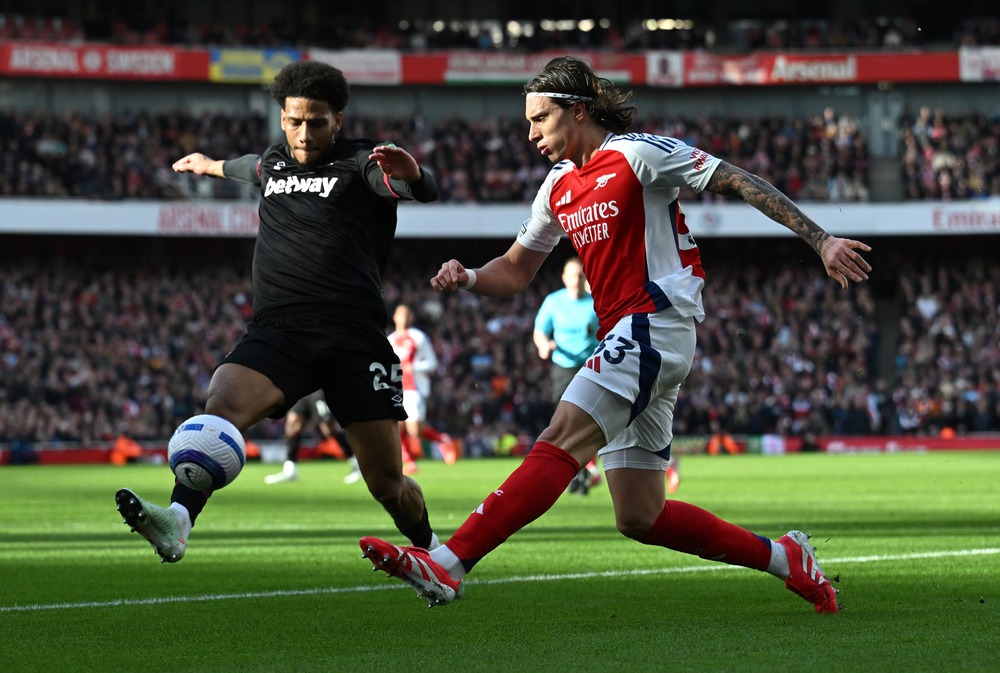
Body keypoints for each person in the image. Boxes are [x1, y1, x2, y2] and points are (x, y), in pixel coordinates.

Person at [360, 56, 871, 612]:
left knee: (561, 435)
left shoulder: (637, 153)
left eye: (540, 119)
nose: (530, 134)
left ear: (577, 111)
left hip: (657, 321)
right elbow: (515, 269)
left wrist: (820, 240)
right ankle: (784, 558)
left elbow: (738, 180)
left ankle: (448, 563)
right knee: (640, 515)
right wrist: (471, 277)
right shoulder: (557, 186)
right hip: (628, 337)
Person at [115, 60, 443, 563]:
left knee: (387, 485)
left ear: (338, 118)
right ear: (283, 117)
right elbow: (248, 166)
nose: (304, 133)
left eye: (316, 122)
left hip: (352, 337)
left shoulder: (363, 163)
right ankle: (177, 521)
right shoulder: (274, 161)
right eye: (294, 121)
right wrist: (208, 165)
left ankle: (434, 551)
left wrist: (415, 176)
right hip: (279, 330)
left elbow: (420, 189)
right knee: (219, 406)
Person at [532, 256, 603, 494]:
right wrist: (543, 345)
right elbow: (540, 330)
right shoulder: (554, 302)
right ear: (564, 278)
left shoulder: (596, 302)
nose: (576, 280)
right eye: (572, 275)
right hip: (563, 366)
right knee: (565, 421)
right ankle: (579, 471)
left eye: (581, 276)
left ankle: (585, 469)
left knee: (589, 420)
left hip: (591, 365)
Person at [386, 303, 458, 473]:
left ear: (411, 318)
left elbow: (432, 363)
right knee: (397, 425)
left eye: (406, 314)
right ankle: (408, 461)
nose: (403, 318)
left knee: (414, 430)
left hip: (414, 388)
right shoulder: (391, 340)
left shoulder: (418, 337)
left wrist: (414, 368)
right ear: (395, 317)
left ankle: (441, 439)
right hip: (396, 389)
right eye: (400, 314)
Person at [265, 390, 361, 485]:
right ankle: (290, 470)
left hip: (317, 389)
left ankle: (356, 463)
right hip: (301, 389)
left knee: (328, 429)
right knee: (293, 424)